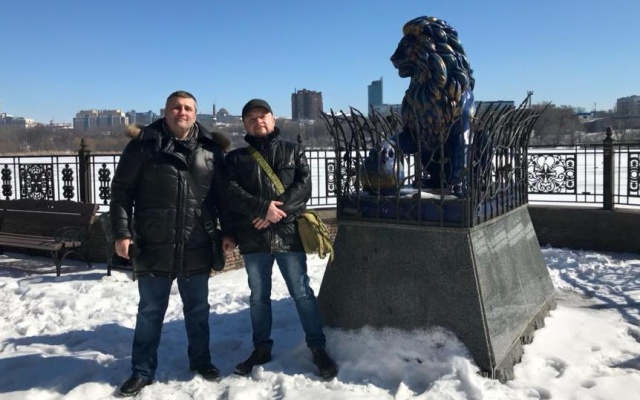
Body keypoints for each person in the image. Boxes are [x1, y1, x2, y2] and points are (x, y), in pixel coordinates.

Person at [110, 90, 232, 397]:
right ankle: (142, 370)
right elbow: (122, 193)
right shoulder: (142, 145)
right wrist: (122, 233)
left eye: (188, 108)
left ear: (195, 113)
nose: (182, 112)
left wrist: (228, 232)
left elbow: (223, 197)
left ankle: (201, 361)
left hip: (196, 242)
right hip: (154, 242)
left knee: (198, 310)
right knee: (150, 311)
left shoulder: (211, 149)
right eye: (176, 107)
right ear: (165, 112)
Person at [223, 98, 338, 380]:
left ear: (273, 119)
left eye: (263, 116)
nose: (258, 121)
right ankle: (261, 348)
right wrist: (262, 208)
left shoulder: (293, 150)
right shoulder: (236, 159)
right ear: (245, 124)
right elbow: (230, 193)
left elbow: (304, 187)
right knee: (258, 297)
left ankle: (318, 347)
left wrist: (275, 212)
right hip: (253, 237)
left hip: (288, 234)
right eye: (251, 118)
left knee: (302, 293)